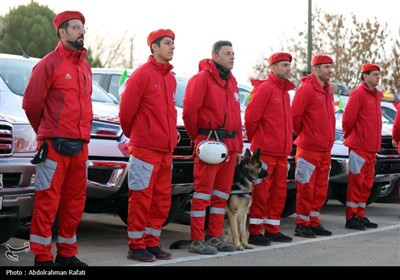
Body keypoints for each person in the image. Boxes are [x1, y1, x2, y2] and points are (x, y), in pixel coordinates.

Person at [22, 11, 91, 267]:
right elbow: (31, 103)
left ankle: (67, 254)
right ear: (62, 32)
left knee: (75, 202)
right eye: (76, 27)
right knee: (47, 201)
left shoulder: (84, 66)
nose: (82, 32)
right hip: (53, 145)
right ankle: (42, 258)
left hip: (81, 145)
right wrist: (47, 131)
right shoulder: (48, 63)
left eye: (83, 27)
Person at [119, 29, 177, 262]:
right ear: (154, 47)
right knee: (141, 198)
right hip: (145, 149)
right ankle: (136, 245)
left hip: (165, 151)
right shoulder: (142, 75)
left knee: (161, 200)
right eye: (167, 43)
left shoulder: (170, 78)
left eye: (173, 43)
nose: (172, 47)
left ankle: (152, 242)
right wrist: (140, 136)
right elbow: (126, 113)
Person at [182, 40, 243, 255]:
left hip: (229, 148)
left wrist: (238, 148)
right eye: (228, 53)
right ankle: (197, 239)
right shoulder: (201, 79)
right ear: (215, 56)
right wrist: (198, 139)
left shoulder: (232, 82)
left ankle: (214, 236)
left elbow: (236, 118)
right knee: (202, 195)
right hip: (210, 144)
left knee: (220, 196)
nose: (232, 56)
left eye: (233, 53)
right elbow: (189, 112)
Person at [244, 52, 295, 245]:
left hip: (282, 153)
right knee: (261, 192)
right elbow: (251, 118)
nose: (287, 68)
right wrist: (256, 141)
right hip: (264, 152)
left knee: (279, 192)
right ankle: (256, 231)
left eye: (289, 65)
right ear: (272, 68)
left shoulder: (285, 93)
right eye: (283, 65)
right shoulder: (265, 88)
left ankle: (273, 228)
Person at [291, 54, 335, 238]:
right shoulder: (307, 89)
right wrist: (308, 135)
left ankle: (313, 221)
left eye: (331, 67)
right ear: (315, 69)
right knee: (306, 188)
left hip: (324, 150)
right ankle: (302, 224)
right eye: (326, 67)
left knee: (320, 189)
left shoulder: (327, 90)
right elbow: (295, 118)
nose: (330, 70)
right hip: (309, 149)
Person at [342, 63, 382, 230]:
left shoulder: (375, 96)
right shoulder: (358, 93)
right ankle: (351, 217)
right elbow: (348, 119)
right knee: (356, 183)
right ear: (365, 76)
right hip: (359, 147)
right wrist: (350, 137)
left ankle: (360, 214)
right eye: (375, 74)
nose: (378, 77)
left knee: (366, 184)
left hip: (371, 148)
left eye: (379, 75)